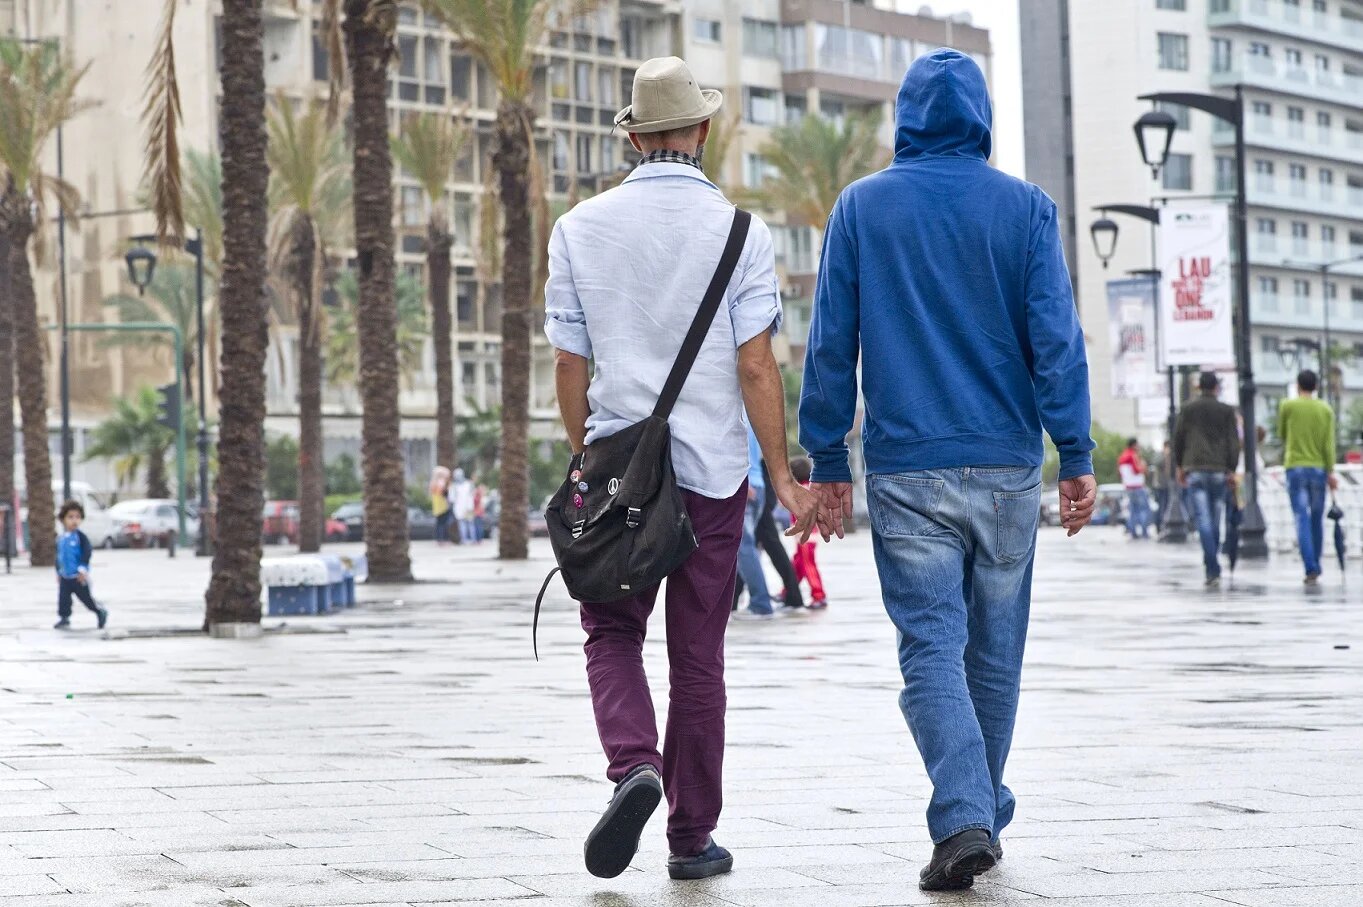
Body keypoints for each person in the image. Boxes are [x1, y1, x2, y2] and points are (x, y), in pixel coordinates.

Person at [798, 49, 1096, 892]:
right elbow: (1055, 339)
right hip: (1006, 466)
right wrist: (1074, 452)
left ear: (905, 117)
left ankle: (966, 814)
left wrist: (828, 455)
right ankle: (974, 812)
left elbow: (830, 342)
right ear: (980, 118)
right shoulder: (1025, 208)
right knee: (994, 656)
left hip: (907, 469)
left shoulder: (861, 207)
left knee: (930, 645)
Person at [545, 56, 819, 882]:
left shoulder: (577, 228)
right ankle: (691, 838)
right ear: (702, 129)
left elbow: (567, 363)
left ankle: (634, 761)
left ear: (634, 137)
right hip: (710, 477)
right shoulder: (742, 233)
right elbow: (756, 366)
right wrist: (783, 476)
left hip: (620, 473)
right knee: (698, 658)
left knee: (611, 631)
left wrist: (583, 457)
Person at [1172, 372, 1241, 588]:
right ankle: (1212, 563)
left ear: (1198, 387)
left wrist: (1180, 466)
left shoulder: (1188, 409)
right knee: (1215, 518)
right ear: (1216, 388)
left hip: (1195, 468)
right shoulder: (1226, 410)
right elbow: (1233, 441)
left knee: (1203, 519)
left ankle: (1212, 567)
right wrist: (1232, 469)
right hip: (1219, 470)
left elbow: (1178, 439)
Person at [1278, 369, 1337, 585]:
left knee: (1301, 517)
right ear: (1316, 386)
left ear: (1298, 385)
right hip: (1319, 469)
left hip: (1295, 467)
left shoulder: (1288, 406)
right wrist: (1330, 471)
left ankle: (1310, 567)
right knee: (1316, 519)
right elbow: (1328, 444)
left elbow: (1282, 434)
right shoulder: (1325, 409)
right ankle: (1316, 564)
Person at [734, 427, 777, 620]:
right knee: (742, 548)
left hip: (746, 484)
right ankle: (732, 602)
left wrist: (743, 481)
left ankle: (761, 604)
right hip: (757, 485)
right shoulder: (753, 417)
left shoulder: (739, 415)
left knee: (744, 547)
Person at [54, 500, 107, 630]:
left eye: (77, 517)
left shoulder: (81, 537)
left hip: (78, 577)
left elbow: (86, 553)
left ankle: (99, 611)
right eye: (70, 517)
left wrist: (82, 569)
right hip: (65, 577)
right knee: (63, 599)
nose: (74, 520)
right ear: (63, 519)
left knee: (86, 599)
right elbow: (59, 557)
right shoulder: (61, 538)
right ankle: (64, 617)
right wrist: (58, 572)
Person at [788, 457, 827, 608]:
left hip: (806, 535)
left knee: (808, 565)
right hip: (807, 535)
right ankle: (788, 590)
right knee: (797, 564)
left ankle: (819, 595)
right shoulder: (809, 487)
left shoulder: (801, 490)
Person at [1117, 438, 1151, 540]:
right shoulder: (1132, 455)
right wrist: (1143, 467)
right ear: (1134, 445)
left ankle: (1133, 532)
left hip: (1128, 486)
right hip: (1137, 486)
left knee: (1132, 510)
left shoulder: (1122, 456)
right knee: (1144, 509)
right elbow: (1136, 470)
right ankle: (1144, 532)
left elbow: (1120, 472)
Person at [448, 468, 477, 544]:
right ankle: (471, 539)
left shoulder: (454, 486)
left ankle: (466, 540)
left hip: (464, 508)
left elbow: (451, 499)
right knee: (468, 524)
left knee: (465, 524)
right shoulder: (468, 484)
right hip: (467, 508)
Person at [1150, 442, 1170, 532]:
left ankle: (1163, 525)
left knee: (1165, 506)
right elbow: (1156, 462)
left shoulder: (1170, 456)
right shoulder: (1160, 455)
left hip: (1168, 486)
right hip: (1160, 486)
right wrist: (1165, 455)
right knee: (1161, 506)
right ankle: (1159, 526)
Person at [430, 467, 452, 546]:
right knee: (442, 524)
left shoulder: (433, 483)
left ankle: (440, 539)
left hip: (438, 507)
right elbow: (444, 494)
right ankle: (442, 540)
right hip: (442, 506)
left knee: (439, 524)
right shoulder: (441, 483)